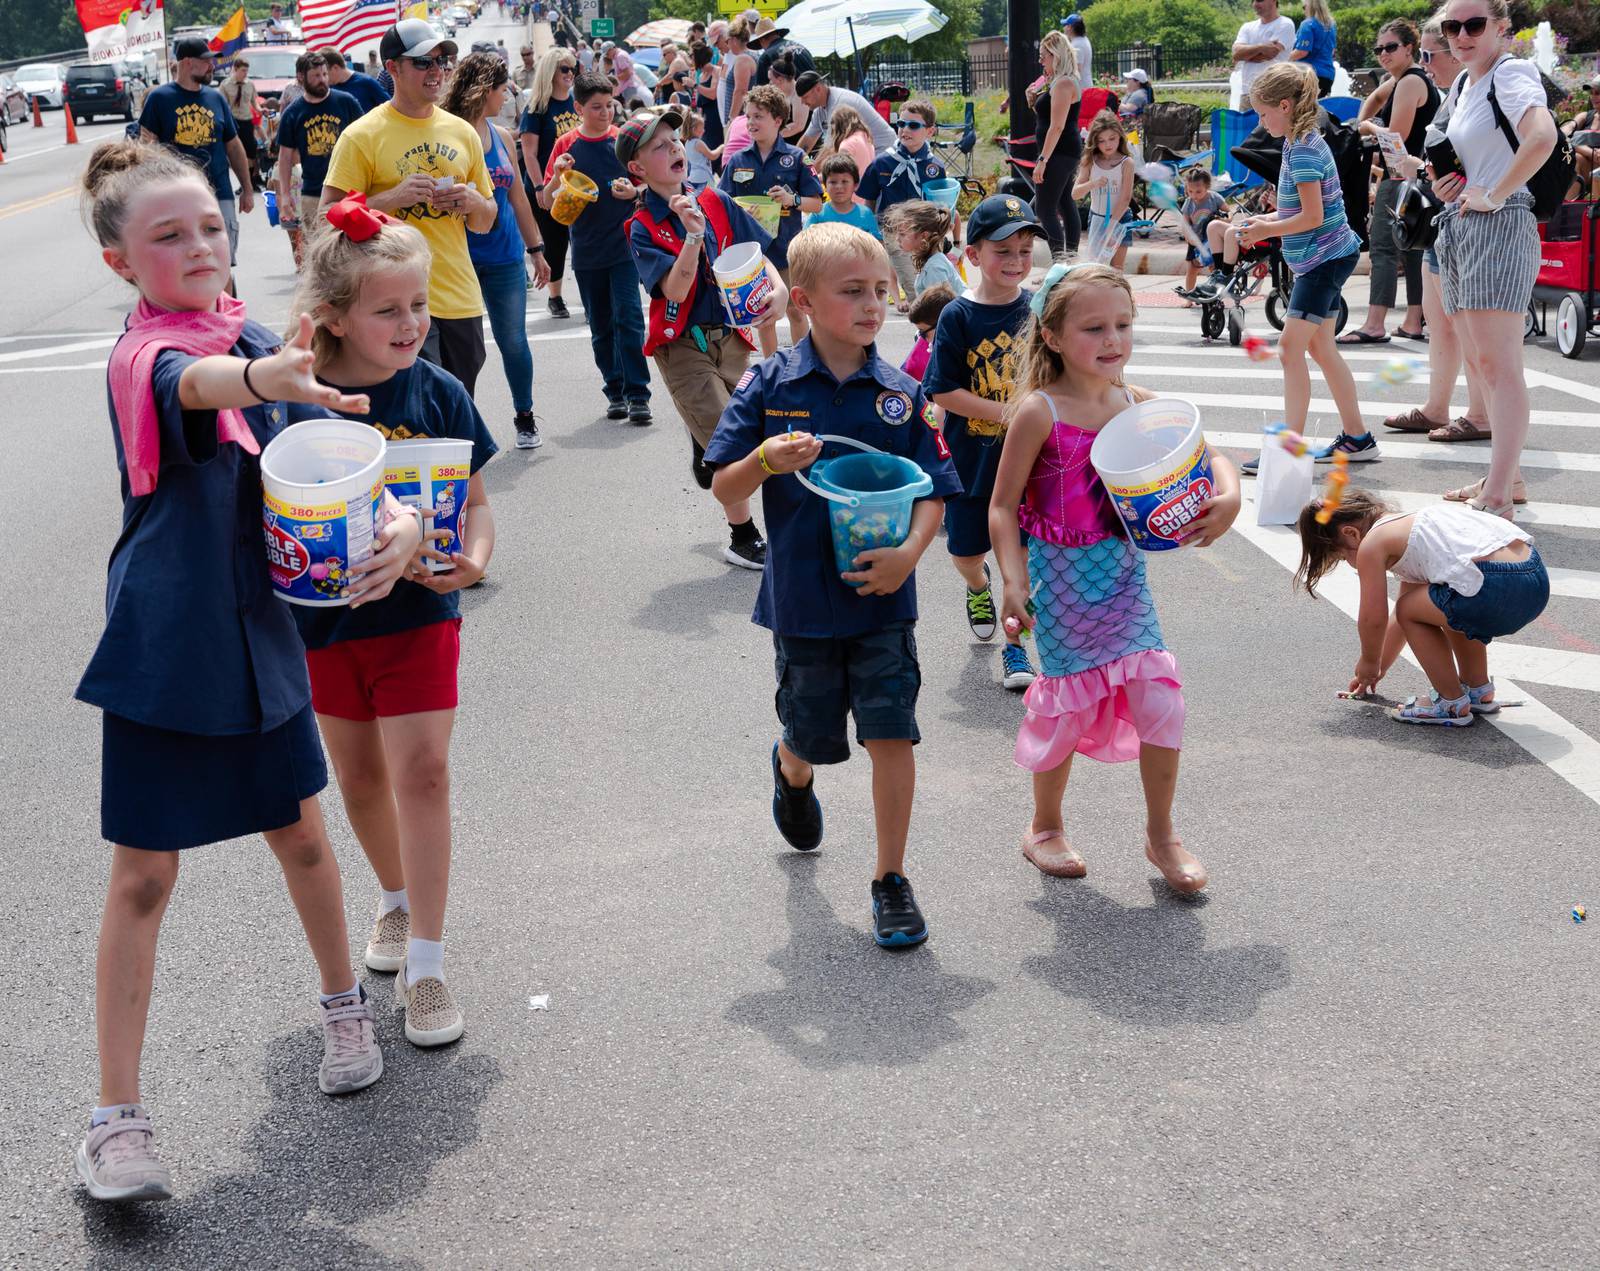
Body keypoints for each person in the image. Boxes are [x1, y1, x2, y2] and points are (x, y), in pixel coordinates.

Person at [73, 139, 419, 1202]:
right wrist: (265, 374)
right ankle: (116, 1122)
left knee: (304, 839)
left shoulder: (262, 334)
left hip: (261, 635)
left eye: (212, 226)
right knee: (143, 876)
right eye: (168, 236)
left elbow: (342, 458)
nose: (200, 247)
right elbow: (201, 382)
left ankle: (341, 1006)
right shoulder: (145, 355)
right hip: (164, 645)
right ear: (120, 262)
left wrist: (399, 523)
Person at [705, 222, 963, 949]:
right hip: (805, 600)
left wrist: (911, 553)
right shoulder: (770, 383)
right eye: (852, 291)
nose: (872, 305)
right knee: (813, 733)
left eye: (880, 290)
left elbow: (935, 490)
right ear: (804, 301)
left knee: (892, 732)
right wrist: (765, 459)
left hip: (885, 597)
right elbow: (722, 482)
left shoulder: (900, 394)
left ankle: (890, 877)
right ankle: (792, 770)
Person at [290, 197, 497, 1047]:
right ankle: (396, 895)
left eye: (418, 305)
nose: (411, 323)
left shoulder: (439, 389)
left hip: (420, 617)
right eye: (388, 309)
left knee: (424, 774)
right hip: (323, 628)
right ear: (333, 317)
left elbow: (478, 502)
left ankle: (428, 963)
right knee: (363, 780)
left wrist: (473, 561)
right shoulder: (294, 395)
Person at [990, 262, 1240, 890]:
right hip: (1062, 584)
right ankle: (1044, 826)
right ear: (1050, 336)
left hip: (1125, 581)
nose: (1113, 341)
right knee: (1066, 707)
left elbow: (1214, 456)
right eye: (1094, 327)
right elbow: (1001, 505)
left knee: (1159, 695)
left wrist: (1229, 497)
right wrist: (1012, 582)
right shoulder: (1039, 412)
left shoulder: (1139, 405)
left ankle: (1162, 836)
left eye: (1124, 325)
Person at [621, 106, 781, 570]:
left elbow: (755, 253)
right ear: (637, 168)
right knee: (734, 446)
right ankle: (742, 535)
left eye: (674, 140)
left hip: (730, 337)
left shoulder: (714, 199)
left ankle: (702, 436)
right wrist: (692, 238)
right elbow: (672, 289)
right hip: (680, 344)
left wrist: (780, 288)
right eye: (659, 146)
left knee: (738, 425)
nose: (673, 147)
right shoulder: (640, 226)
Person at [1428, 0, 1556, 518]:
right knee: (1482, 363)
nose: (1461, 35)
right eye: (1451, 26)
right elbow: (1472, 156)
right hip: (1463, 223)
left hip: (1500, 223)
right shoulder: (1462, 86)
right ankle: (1509, 478)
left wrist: (1496, 193)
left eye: (1473, 24)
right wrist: (1447, 184)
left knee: (1499, 366)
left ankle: (1499, 493)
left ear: (1502, 29)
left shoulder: (1512, 71)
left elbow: (1542, 137)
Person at [320, 20, 496, 394]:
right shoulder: (362, 135)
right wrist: (392, 199)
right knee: (417, 417)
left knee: (458, 411)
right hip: (396, 304)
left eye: (442, 61)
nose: (437, 72)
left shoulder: (462, 131)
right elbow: (327, 217)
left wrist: (473, 202)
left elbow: (485, 220)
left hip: (459, 298)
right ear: (393, 68)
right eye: (423, 62)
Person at [1295, 491, 1547, 725]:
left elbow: (1374, 618)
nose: (1350, 563)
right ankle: (1477, 689)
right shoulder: (1415, 529)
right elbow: (1404, 620)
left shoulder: (1372, 544)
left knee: (1422, 605)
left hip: (1494, 587)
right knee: (1445, 602)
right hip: (1534, 579)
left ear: (1351, 533)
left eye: (1342, 556)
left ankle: (1450, 702)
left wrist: (1369, 661)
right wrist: (1380, 668)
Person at [924, 195, 1042, 692]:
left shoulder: (1038, 306)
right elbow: (942, 389)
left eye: (1024, 250)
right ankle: (977, 588)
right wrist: (1008, 413)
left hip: (1033, 462)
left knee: (1025, 560)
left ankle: (1016, 650)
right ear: (973, 256)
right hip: (972, 459)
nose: (1015, 262)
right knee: (967, 551)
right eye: (1002, 252)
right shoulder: (957, 316)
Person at [1230, 64, 1373, 473]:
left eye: (1263, 113)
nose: (1260, 121)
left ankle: (1287, 451)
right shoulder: (1298, 141)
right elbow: (1303, 211)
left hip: (1324, 258)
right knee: (1320, 348)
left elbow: (1312, 216)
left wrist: (1267, 227)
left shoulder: (1306, 148)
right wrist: (1265, 221)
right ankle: (1357, 437)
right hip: (1324, 255)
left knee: (1291, 349)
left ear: (1286, 105)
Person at [1382, 19, 1497, 448]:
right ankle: (1436, 407)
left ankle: (1481, 414)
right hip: (1445, 223)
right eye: (1426, 54)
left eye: (1431, 55)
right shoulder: (1459, 94)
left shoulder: (1484, 88)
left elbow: (1492, 160)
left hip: (1471, 223)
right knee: (1441, 321)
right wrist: (1418, 166)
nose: (1426, 65)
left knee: (1467, 328)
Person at [446, 53, 551, 450]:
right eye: (502, 88)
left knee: (513, 341)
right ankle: (457, 422)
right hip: (458, 258)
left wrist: (536, 249)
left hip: (505, 255)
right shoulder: (447, 131)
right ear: (485, 89)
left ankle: (524, 415)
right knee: (463, 350)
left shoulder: (502, 136)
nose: (507, 95)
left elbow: (519, 199)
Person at [541, 72, 652, 423]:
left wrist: (634, 192)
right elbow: (545, 200)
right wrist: (559, 175)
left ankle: (638, 395)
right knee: (601, 325)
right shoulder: (566, 147)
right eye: (596, 107)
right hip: (587, 251)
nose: (605, 113)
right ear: (578, 108)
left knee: (630, 318)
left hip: (624, 248)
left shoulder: (623, 140)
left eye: (610, 105)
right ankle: (614, 389)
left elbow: (653, 184)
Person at [1341, 20, 1437, 344]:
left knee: (1382, 248)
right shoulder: (1403, 80)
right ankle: (1412, 321)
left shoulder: (1409, 82)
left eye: (1390, 47)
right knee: (1412, 250)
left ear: (1409, 48)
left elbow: (1397, 138)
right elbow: (1375, 100)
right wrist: (1365, 118)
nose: (1383, 53)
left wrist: (1367, 127)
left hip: (1401, 176)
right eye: (1378, 48)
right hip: (1418, 176)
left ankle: (1375, 323)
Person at [138, 38, 254, 294]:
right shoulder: (160, 98)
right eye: (206, 61)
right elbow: (145, 148)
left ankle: (230, 324)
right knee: (189, 265)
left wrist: (246, 188)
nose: (211, 65)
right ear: (188, 63)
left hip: (219, 193)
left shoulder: (216, 98)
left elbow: (233, 146)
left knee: (223, 263)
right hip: (177, 198)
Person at [720, 84, 823, 352]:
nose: (751, 123)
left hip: (787, 249)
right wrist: (736, 208)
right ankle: (771, 369)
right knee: (763, 316)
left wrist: (793, 200)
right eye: (749, 116)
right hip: (752, 254)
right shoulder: (737, 159)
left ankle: (803, 365)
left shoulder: (797, 157)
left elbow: (817, 205)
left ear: (777, 120)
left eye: (759, 116)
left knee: (796, 311)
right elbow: (720, 202)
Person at [276, 54, 363, 272]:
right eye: (316, 76)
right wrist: (285, 196)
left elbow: (365, 140)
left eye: (324, 74)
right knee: (317, 253)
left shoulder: (346, 102)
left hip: (349, 191)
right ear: (300, 78)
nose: (322, 79)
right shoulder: (293, 113)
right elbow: (285, 157)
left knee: (352, 250)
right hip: (313, 193)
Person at [858, 99, 945, 309]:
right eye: (901, 124)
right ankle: (925, 330)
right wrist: (870, 232)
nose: (905, 129)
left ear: (930, 131)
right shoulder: (882, 162)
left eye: (913, 126)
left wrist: (944, 235)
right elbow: (868, 199)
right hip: (894, 233)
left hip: (927, 233)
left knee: (935, 283)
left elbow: (940, 205)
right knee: (913, 286)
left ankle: (931, 329)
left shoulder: (934, 166)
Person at [519, 48, 580, 319]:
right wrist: (539, 187)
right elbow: (530, 154)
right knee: (556, 244)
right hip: (547, 186)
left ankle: (590, 295)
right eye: (564, 69)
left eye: (572, 69)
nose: (570, 74)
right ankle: (555, 298)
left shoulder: (577, 102)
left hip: (577, 185)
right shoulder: (537, 108)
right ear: (550, 73)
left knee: (583, 241)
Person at [1029, 30, 1082, 262]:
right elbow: (1046, 119)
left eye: (1043, 56)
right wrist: (1032, 100)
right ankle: (1068, 262)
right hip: (1062, 151)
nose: (1040, 61)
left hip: (1058, 152)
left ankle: (1060, 263)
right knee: (1064, 203)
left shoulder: (1063, 83)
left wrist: (1043, 160)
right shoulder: (1059, 82)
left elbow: (1056, 127)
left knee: (1044, 209)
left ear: (1056, 55)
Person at [1073, 111, 1134, 268]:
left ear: (1119, 137)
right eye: (1102, 141)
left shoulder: (1126, 163)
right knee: (1096, 267)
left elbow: (1125, 198)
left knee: (1116, 268)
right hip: (1097, 218)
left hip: (1119, 219)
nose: (1108, 144)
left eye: (1112, 139)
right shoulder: (1089, 161)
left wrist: (1111, 227)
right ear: (1095, 142)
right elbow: (1075, 194)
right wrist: (1092, 184)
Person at [796, 71, 896, 156]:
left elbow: (830, 150)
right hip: (869, 151)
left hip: (883, 150)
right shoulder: (819, 111)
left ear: (818, 89)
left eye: (805, 97)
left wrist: (810, 172)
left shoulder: (839, 105)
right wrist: (795, 161)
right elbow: (807, 141)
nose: (802, 103)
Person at [889, 199, 961, 295]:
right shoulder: (931, 261)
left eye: (902, 234)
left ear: (924, 236)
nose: (897, 238)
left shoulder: (934, 268)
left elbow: (940, 307)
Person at [1232, 0, 1297, 98]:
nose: (1255, 4)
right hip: (1247, 93)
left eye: (1259, 0)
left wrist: (1245, 55)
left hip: (1274, 93)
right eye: (1253, 1)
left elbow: (1270, 54)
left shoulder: (1285, 24)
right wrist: (1261, 47)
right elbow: (1236, 54)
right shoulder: (1247, 27)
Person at [806, 153, 879, 237]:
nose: (839, 187)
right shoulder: (817, 213)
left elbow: (877, 244)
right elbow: (805, 241)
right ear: (825, 186)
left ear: (855, 185)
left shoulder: (865, 214)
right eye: (833, 182)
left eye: (844, 181)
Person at [1178, 168, 1224, 296]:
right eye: (1190, 191)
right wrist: (1187, 236)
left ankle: (1215, 295)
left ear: (1207, 187)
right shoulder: (1189, 202)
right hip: (1195, 241)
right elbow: (1185, 222)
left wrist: (1226, 218)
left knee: (1214, 268)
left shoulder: (1214, 198)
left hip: (1212, 241)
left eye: (1198, 191)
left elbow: (1228, 211)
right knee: (1192, 270)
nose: (1194, 195)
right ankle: (1189, 296)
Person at [220, 58, 261, 193]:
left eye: (246, 71)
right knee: (237, 154)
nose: (245, 73)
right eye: (243, 70)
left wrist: (261, 110)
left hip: (247, 121)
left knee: (251, 152)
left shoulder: (250, 84)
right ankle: (243, 184)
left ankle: (251, 182)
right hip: (233, 121)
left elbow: (254, 103)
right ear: (235, 69)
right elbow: (223, 106)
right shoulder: (225, 85)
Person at [316, 46, 391, 115]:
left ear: (335, 68)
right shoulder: (328, 89)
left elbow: (390, 108)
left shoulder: (367, 83)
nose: (323, 79)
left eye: (325, 73)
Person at [1289, 0, 1338, 97]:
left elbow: (1302, 51)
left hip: (1309, 74)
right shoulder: (1331, 25)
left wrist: (1283, 58)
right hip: (1328, 75)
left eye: (1304, 7)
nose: (1304, 10)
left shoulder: (1307, 24)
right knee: (1319, 108)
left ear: (1309, 7)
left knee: (1303, 108)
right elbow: (1332, 51)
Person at [1562, 75, 1600, 197]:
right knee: (1573, 158)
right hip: (1586, 167)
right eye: (1592, 93)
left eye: (1598, 93)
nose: (1593, 97)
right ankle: (1567, 209)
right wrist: (1591, 153)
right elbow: (1564, 135)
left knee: (1575, 158)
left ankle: (1567, 210)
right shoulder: (1584, 116)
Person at [750, 17, 814, 88]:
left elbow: (761, 92)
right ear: (777, 33)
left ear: (762, 40)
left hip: (791, 97)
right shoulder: (801, 46)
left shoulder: (766, 57)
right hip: (814, 92)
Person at [719, 19, 758, 134]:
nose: (728, 45)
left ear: (734, 40)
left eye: (727, 41)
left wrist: (732, 120)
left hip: (741, 119)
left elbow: (741, 91)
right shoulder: (752, 55)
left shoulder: (743, 59)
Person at [821, 106, 877, 185]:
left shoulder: (847, 144)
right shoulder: (867, 141)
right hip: (867, 193)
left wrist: (817, 177)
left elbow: (838, 175)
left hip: (852, 195)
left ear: (838, 125)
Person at [691, 43, 725, 160]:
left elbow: (712, 94)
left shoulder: (716, 71)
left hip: (716, 119)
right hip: (706, 120)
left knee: (713, 154)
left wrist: (695, 85)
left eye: (692, 56)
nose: (691, 59)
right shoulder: (701, 76)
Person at [684, 109, 719, 191]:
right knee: (708, 198)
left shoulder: (687, 143)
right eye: (702, 128)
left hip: (693, 176)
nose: (704, 131)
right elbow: (712, 156)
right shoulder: (698, 143)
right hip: (703, 176)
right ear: (694, 129)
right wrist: (720, 148)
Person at [1062, 14, 1093, 90]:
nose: (1063, 28)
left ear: (1070, 27)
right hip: (1084, 86)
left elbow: (1077, 69)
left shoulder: (1077, 44)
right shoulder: (1083, 40)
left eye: (1065, 25)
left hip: (1080, 88)